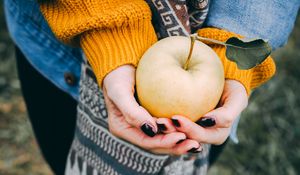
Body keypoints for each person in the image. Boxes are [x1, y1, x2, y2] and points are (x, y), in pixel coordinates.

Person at [4, 0, 300, 174]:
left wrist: (234, 41)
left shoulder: (214, 68)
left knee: (197, 151)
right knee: (61, 154)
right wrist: (112, 34)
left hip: (211, 69)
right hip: (65, 45)